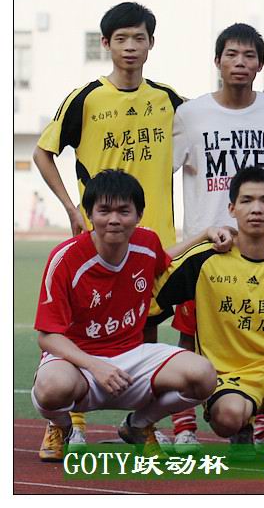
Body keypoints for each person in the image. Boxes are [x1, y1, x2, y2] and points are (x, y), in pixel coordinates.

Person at [33, 1, 185, 451]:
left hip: (154, 236)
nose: (131, 46)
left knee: (145, 326)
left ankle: (142, 422)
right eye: (121, 38)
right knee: (83, 325)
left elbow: (217, 119)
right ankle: (67, 421)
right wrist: (71, 208)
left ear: (151, 43)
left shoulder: (169, 100)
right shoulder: (87, 98)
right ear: (106, 44)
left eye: (139, 38)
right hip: (100, 235)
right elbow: (43, 152)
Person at [166, 23, 264, 450]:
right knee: (189, 337)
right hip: (207, 248)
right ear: (217, 61)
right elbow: (163, 170)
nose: (240, 63)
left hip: (263, 251)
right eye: (231, 54)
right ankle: (184, 427)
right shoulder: (191, 114)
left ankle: (261, 426)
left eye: (249, 56)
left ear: (260, 64)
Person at [33, 170, 219, 461]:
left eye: (124, 211)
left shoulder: (147, 243)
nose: (114, 219)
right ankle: (61, 426)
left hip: (132, 356)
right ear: (89, 214)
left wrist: (204, 235)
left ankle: (138, 425)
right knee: (51, 387)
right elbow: (47, 336)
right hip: (77, 361)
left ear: (139, 214)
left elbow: (166, 260)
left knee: (204, 376)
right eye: (104, 210)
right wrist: (95, 365)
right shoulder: (65, 258)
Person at [152, 167, 264, 449]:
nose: (256, 209)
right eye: (247, 200)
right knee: (228, 418)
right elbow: (152, 273)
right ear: (232, 209)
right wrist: (203, 235)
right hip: (228, 380)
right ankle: (240, 428)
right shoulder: (205, 260)